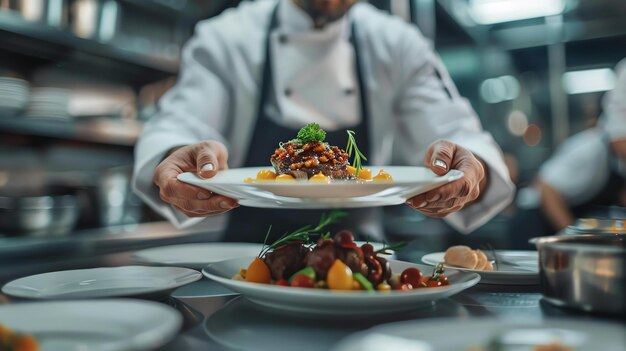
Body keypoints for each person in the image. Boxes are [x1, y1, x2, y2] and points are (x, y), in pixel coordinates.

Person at [132, 0, 515, 241]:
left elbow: (453, 132)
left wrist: (466, 164)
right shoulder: (226, 36)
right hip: (241, 261)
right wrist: (177, 155)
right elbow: (181, 121)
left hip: (361, 255)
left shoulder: (398, 43)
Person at [536, 59, 626, 232]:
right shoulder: (590, 149)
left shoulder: (618, 163)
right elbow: (545, 188)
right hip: (537, 223)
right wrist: (573, 239)